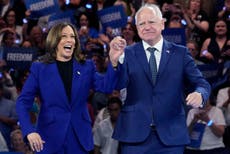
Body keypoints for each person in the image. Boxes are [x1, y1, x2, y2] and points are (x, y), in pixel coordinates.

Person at [109, 4, 211, 154]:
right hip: (134, 136)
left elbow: (202, 83)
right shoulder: (127, 53)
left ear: (162, 23)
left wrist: (200, 94)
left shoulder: (180, 53)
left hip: (171, 137)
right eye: (142, 24)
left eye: (151, 22)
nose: (147, 26)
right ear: (137, 28)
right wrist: (113, 62)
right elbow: (117, 85)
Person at [16, 22, 118, 154]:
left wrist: (113, 62)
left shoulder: (86, 66)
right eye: (64, 36)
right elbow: (23, 102)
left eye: (72, 36)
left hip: (79, 138)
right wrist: (29, 131)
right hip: (49, 138)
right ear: (54, 40)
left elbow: (107, 86)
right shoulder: (40, 68)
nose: (69, 40)